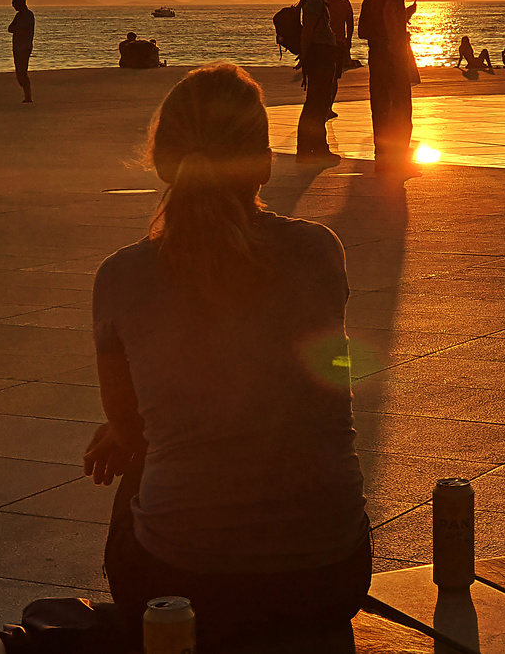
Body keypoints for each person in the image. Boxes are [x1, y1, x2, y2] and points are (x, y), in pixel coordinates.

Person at [84, 64, 369, 652]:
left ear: (164, 161)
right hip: (329, 574)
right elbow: (329, 378)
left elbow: (131, 428)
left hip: (185, 583)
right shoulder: (320, 252)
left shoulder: (121, 277)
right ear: (262, 161)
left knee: (140, 468)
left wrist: (135, 428)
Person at [358, 0, 417, 173]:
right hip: (392, 58)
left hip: (378, 57)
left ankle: (383, 159)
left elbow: (363, 30)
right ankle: (399, 160)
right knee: (401, 111)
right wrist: (393, 44)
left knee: (381, 109)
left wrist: (403, 17)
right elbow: (392, 28)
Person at [296, 0, 340, 164]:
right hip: (319, 56)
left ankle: (312, 147)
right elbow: (308, 31)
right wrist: (304, 58)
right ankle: (312, 148)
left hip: (323, 55)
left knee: (319, 102)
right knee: (316, 103)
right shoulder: (314, 1)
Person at [8, 0, 35, 103]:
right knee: (19, 73)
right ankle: (27, 95)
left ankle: (28, 97)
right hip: (17, 47)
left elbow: (26, 30)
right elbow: (10, 28)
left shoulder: (28, 15)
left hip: (24, 47)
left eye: (14, 3)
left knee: (22, 72)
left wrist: (17, 29)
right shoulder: (18, 16)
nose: (13, 6)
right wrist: (18, 29)